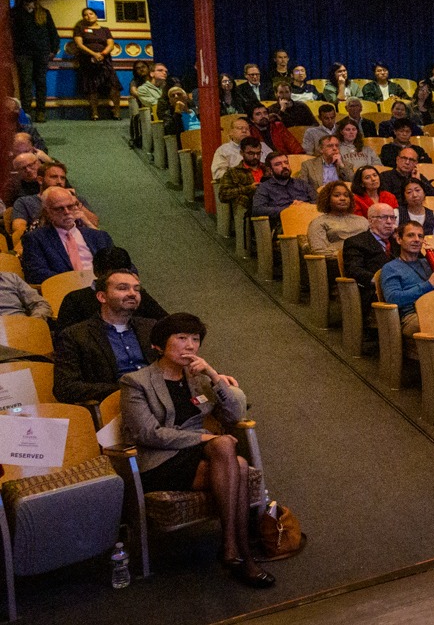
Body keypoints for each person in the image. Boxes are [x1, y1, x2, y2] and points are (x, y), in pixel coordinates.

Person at [119, 313, 273, 588]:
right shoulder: (136, 382)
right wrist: (203, 439)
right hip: (158, 462)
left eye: (195, 339)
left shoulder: (198, 379)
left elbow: (235, 413)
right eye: (181, 338)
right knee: (227, 449)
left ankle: (235, 551)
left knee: (234, 462)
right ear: (159, 345)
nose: (190, 346)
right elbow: (148, 434)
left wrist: (213, 375)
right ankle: (238, 551)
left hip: (200, 456)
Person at [53, 269, 158, 403]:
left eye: (136, 289)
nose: (132, 293)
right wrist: (125, 388)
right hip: (114, 404)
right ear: (102, 297)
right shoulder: (75, 335)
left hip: (159, 399)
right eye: (123, 288)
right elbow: (65, 388)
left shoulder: (151, 327)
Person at [55, 247, 168, 332]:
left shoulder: (138, 296)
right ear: (96, 272)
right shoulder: (74, 299)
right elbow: (65, 339)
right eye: (110, 275)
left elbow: (166, 323)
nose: (131, 293)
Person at [20, 187, 116, 284]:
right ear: (47, 212)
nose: (67, 212)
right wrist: (76, 280)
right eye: (59, 208)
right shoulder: (36, 238)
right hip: (66, 290)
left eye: (70, 206)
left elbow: (124, 266)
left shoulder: (100, 237)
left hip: (103, 289)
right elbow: (35, 273)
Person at [382, 220, 434, 334]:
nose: (417, 240)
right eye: (410, 235)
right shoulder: (390, 268)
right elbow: (393, 298)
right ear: (399, 239)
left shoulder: (428, 263)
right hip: (413, 315)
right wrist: (428, 285)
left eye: (420, 236)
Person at [10, 161, 98, 242]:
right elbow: (18, 231)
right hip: (43, 243)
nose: (59, 182)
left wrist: (76, 203)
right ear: (40, 180)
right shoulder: (24, 202)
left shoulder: (76, 200)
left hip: (80, 241)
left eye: (62, 178)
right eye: (54, 177)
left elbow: (94, 223)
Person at [10, 0, 59, 123]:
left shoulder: (44, 12)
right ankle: (26, 113)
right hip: (23, 53)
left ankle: (41, 112)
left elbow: (52, 32)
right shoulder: (14, 13)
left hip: (41, 52)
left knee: (40, 82)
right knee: (25, 83)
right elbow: (10, 34)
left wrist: (53, 49)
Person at [342, 204, 397, 312]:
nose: (390, 222)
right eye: (384, 217)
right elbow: (354, 270)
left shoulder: (399, 240)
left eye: (392, 218)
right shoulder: (356, 242)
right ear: (371, 220)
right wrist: (380, 281)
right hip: (375, 291)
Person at [71, 7, 122, 120]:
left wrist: (102, 54)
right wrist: (94, 54)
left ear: (96, 15)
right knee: (92, 87)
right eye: (85, 14)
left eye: (91, 13)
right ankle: (94, 113)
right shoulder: (80, 28)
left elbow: (110, 44)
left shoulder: (105, 29)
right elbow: (79, 45)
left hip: (105, 60)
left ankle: (117, 112)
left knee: (114, 85)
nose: (88, 16)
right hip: (88, 61)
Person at [307, 181, 369, 259]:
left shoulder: (363, 220)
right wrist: (348, 255)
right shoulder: (318, 223)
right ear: (327, 198)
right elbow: (318, 251)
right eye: (337, 195)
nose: (343, 198)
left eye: (346, 195)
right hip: (339, 263)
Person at [251, 152, 314, 227]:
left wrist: (305, 206)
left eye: (286, 162)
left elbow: (319, 202)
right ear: (270, 170)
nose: (284, 166)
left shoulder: (302, 183)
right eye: (278, 164)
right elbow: (258, 210)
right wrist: (288, 210)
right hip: (283, 224)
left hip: (309, 219)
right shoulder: (264, 187)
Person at [218, 138, 266, 212]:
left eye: (258, 153)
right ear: (241, 153)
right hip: (251, 207)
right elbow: (223, 195)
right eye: (251, 154)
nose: (256, 157)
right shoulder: (233, 172)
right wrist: (249, 188)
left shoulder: (267, 169)